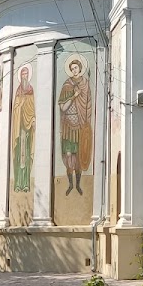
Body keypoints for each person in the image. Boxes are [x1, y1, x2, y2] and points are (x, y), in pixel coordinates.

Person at [57, 56, 93, 195]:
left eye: (76, 68)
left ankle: (78, 185)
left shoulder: (85, 84)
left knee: (78, 157)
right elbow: (63, 108)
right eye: (72, 69)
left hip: (79, 125)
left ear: (80, 68)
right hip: (68, 126)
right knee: (69, 157)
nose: (74, 70)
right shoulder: (67, 86)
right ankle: (70, 184)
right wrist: (74, 96)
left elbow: (88, 104)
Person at [10, 65, 35, 192]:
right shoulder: (18, 92)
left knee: (27, 157)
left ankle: (26, 183)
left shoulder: (31, 91)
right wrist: (20, 106)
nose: (24, 76)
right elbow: (15, 109)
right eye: (22, 74)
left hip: (28, 130)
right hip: (19, 131)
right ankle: (18, 183)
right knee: (19, 158)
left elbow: (32, 109)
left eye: (26, 74)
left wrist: (32, 120)